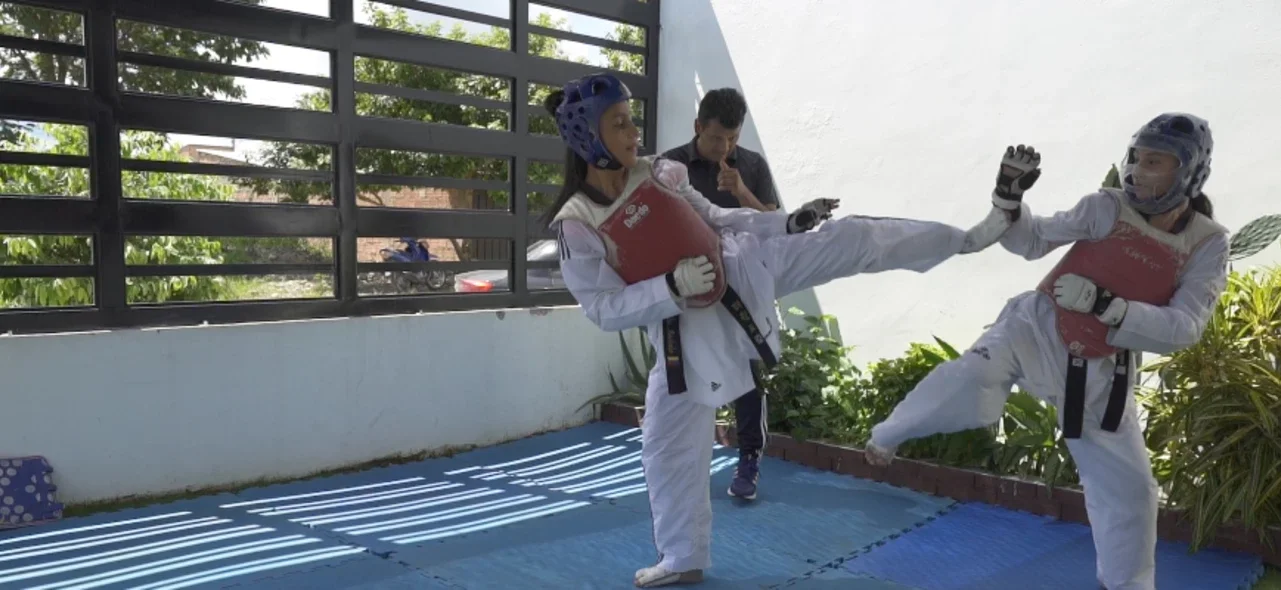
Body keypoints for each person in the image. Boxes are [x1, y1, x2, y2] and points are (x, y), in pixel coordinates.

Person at [542, 72, 1037, 588]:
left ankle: (974, 237)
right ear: (588, 138)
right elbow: (603, 308)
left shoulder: (661, 174)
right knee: (667, 445)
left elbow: (717, 219)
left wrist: (786, 224)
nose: (634, 132)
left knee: (855, 236)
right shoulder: (577, 225)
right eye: (620, 124)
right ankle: (682, 558)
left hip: (744, 266)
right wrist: (670, 287)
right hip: (683, 332)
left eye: (631, 120)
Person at [864, 113, 1227, 590]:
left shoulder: (1206, 243)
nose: (1137, 171)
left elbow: (1185, 328)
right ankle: (889, 434)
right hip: (1035, 328)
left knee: (1133, 493)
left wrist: (1108, 307)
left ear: (1188, 171)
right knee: (970, 380)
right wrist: (1010, 197)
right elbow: (1033, 241)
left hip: (1101, 372)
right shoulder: (1105, 207)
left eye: (1153, 162)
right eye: (1135, 159)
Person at [660, 87, 779, 501]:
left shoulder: (751, 165)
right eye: (716, 139)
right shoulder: (671, 165)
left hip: (741, 287)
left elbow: (777, 226)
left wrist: (742, 192)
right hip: (689, 288)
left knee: (747, 371)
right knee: (684, 372)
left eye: (733, 138)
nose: (725, 147)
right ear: (698, 128)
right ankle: (686, 461)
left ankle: (749, 459)